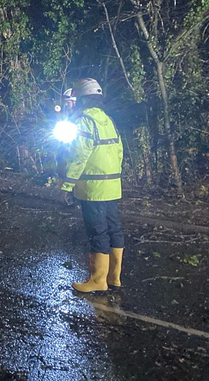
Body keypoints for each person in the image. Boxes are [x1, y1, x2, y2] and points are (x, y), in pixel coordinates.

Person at [64, 78, 125, 293]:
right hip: (112, 186)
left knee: (97, 232)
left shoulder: (84, 121)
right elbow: (119, 150)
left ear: (81, 99)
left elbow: (79, 155)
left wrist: (67, 184)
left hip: (93, 188)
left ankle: (97, 280)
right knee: (114, 229)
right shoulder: (108, 120)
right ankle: (113, 278)